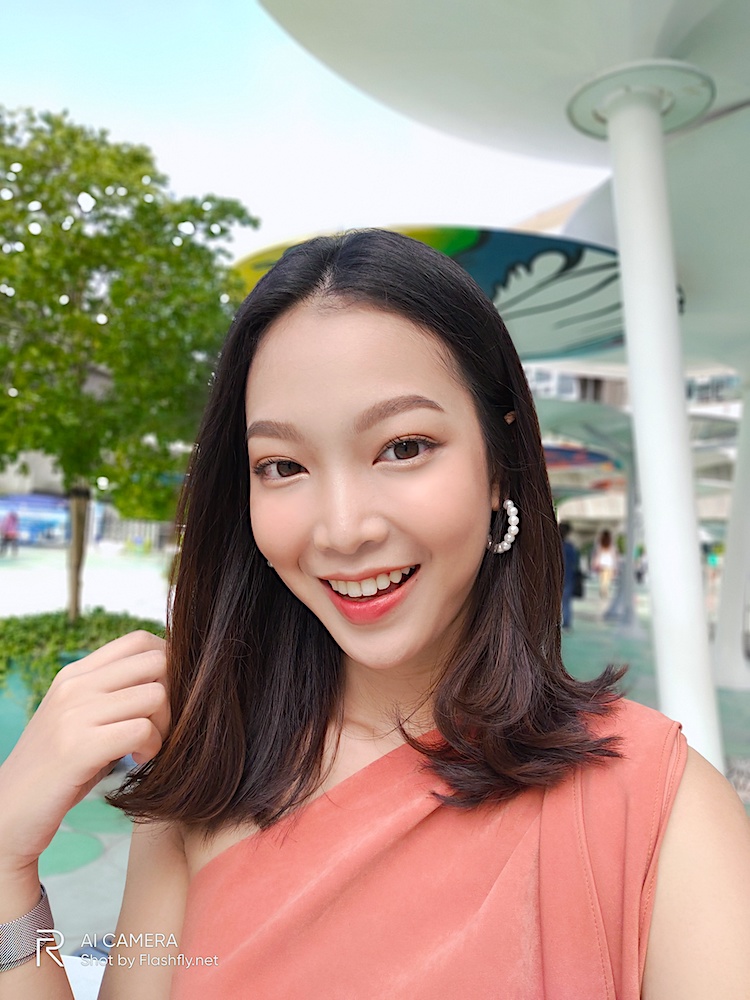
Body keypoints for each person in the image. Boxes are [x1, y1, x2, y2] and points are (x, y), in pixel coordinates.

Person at [0, 230, 748, 1000]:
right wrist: (5, 865)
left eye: (404, 447)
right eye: (283, 465)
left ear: (500, 463)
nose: (343, 528)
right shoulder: (206, 782)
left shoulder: (663, 814)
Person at [559, 521, 580, 630]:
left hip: (556, 578)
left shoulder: (553, 545)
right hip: (567, 577)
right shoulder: (569, 547)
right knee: (566, 602)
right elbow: (574, 562)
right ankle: (566, 623)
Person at [592, 527, 616, 601]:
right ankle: (604, 592)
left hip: (602, 564)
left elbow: (598, 555)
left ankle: (603, 592)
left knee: (602, 579)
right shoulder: (611, 545)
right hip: (609, 564)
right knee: (607, 580)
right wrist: (614, 567)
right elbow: (613, 556)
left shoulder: (600, 544)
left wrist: (595, 563)